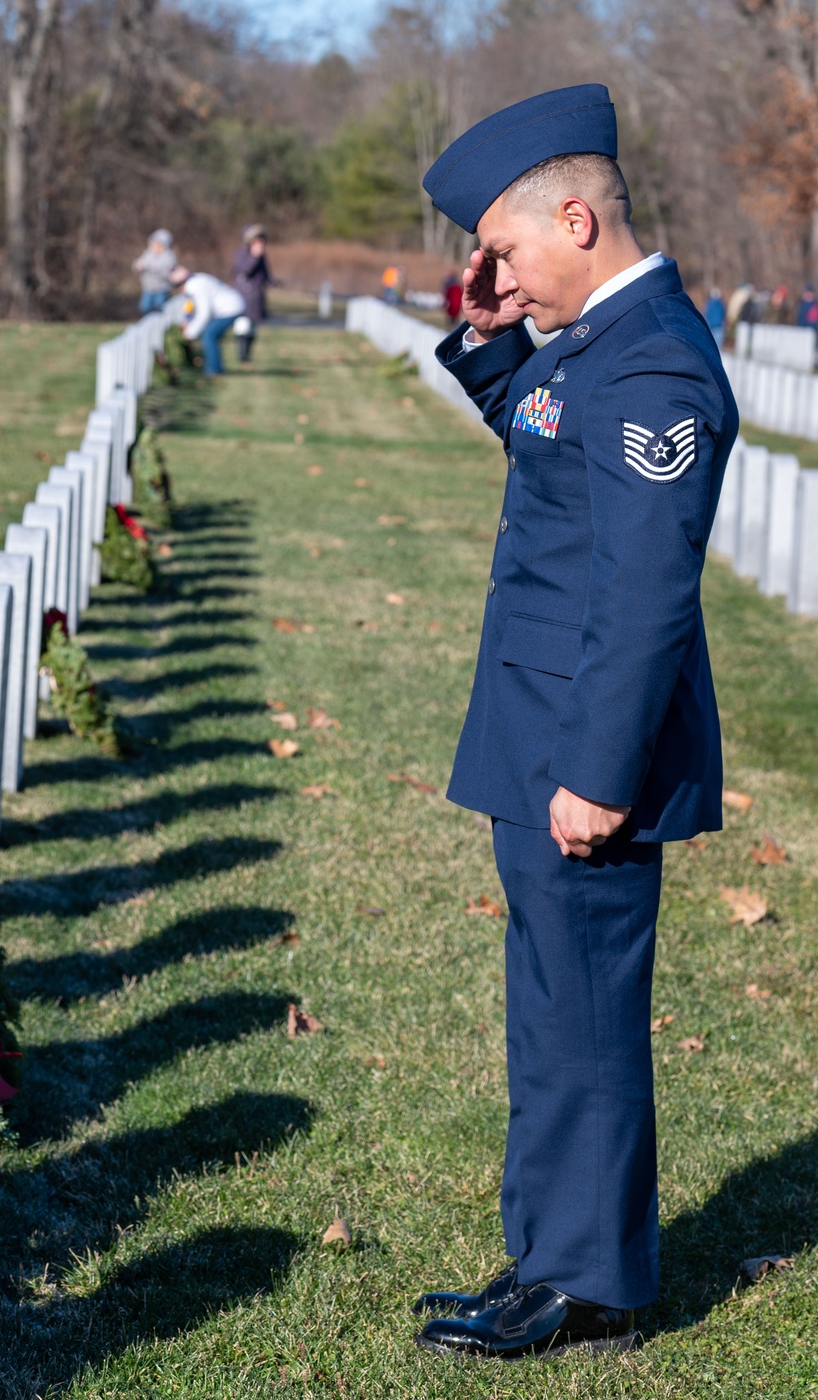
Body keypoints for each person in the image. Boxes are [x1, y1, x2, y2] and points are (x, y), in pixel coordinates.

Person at [409, 84, 737, 1362]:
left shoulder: (652, 359)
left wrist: (597, 772)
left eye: (504, 248)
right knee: (548, 1012)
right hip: (537, 736)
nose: (494, 270)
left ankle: (593, 1280)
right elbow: (550, 452)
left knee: (584, 1015)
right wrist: (492, 341)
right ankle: (550, 1253)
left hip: (581, 757)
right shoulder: (596, 348)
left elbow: (648, 592)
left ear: (578, 216)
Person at [169, 266, 246, 377]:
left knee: (209, 335)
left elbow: (203, 313)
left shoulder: (195, 286)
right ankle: (215, 367)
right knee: (211, 335)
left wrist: (189, 333)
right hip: (228, 307)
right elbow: (191, 309)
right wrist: (187, 323)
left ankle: (213, 370)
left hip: (230, 308)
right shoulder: (196, 281)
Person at [232, 224, 275, 363]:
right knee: (243, 325)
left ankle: (247, 355)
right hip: (244, 295)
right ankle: (242, 355)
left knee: (253, 328)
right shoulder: (242, 254)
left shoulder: (261, 256)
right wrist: (255, 257)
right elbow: (245, 270)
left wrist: (272, 281)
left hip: (256, 296)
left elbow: (264, 274)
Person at [132, 230, 177, 315]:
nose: (156, 246)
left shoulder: (169, 257)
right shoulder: (148, 254)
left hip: (162, 289)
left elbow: (168, 273)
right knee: (145, 308)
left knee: (159, 309)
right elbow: (138, 265)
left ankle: (160, 326)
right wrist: (138, 265)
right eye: (154, 243)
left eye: (159, 244)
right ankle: (148, 326)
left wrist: (153, 268)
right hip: (148, 288)